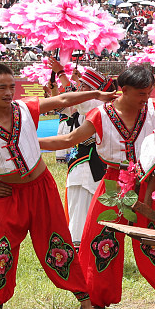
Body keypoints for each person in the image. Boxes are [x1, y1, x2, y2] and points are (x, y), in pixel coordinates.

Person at [0, 63, 114, 309]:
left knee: (58, 242)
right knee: (3, 251)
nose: (8, 92)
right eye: (1, 87)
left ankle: (86, 305)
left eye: (11, 86)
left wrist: (96, 95)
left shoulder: (24, 109)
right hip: (8, 194)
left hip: (42, 187)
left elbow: (61, 99)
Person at [39, 66, 155, 309]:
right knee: (101, 244)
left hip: (149, 185)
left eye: (148, 93)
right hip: (113, 187)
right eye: (140, 93)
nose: (145, 99)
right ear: (123, 90)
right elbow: (68, 140)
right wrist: (30, 142)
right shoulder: (100, 115)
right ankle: (95, 306)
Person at [61, 67, 111, 246]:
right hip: (80, 164)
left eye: (83, 86)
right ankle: (82, 246)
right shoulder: (85, 106)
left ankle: (80, 248)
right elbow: (61, 104)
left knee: (83, 208)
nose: (79, 89)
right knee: (79, 207)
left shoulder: (97, 106)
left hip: (88, 166)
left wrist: (62, 75)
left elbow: (76, 101)